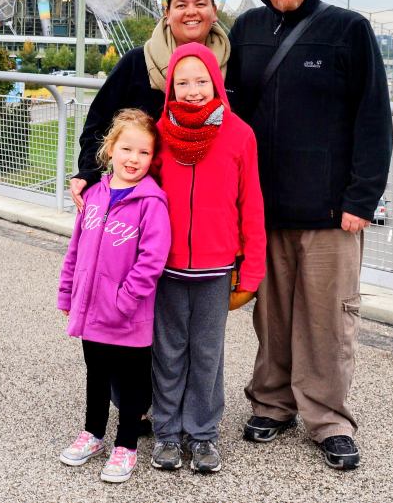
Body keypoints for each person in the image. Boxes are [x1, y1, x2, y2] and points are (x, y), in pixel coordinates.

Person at [226, 0, 392, 471]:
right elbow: (229, 115)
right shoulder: (247, 30)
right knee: (270, 317)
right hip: (263, 209)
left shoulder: (348, 29)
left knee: (327, 320)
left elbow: (373, 118)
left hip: (330, 213)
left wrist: (361, 197)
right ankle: (272, 403)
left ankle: (327, 418)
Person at [150, 43, 266, 475]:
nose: (194, 90)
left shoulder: (239, 134)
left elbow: (251, 205)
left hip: (217, 270)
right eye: (183, 82)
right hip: (166, 268)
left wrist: (251, 272)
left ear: (216, 81)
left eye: (202, 81)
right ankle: (166, 432)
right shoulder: (157, 134)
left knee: (207, 354)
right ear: (171, 87)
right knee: (168, 352)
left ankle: (201, 435)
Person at [58, 109, 171, 484]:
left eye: (143, 153)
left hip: (127, 316)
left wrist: (124, 301)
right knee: (97, 375)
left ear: (152, 158)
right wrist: (67, 293)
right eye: (127, 149)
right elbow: (75, 249)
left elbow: (151, 261)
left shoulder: (151, 202)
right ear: (110, 149)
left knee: (133, 380)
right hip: (90, 311)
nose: (133, 159)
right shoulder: (94, 195)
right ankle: (93, 434)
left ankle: (126, 446)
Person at [69, 0, 230, 212]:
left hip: (208, 205)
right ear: (167, 13)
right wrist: (88, 172)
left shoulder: (234, 65)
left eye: (200, 4)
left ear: (213, 11)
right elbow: (97, 124)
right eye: (181, 5)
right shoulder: (136, 63)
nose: (191, 12)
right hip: (141, 205)